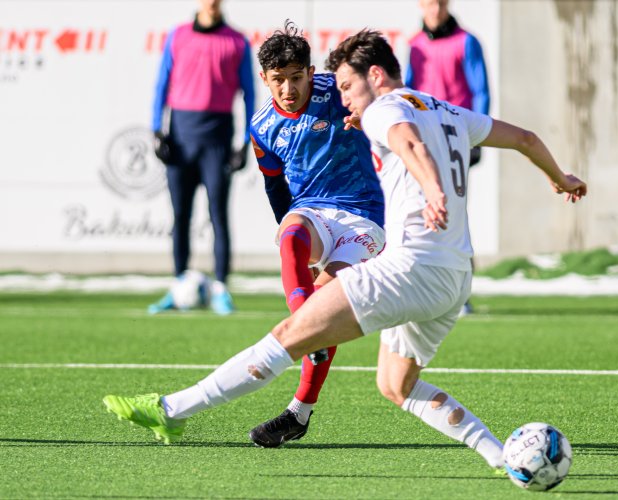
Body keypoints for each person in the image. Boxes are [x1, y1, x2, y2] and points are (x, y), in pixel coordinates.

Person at [102, 30, 587, 473]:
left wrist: (432, 188)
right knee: (396, 385)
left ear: (374, 76)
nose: (344, 98)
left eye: (349, 86)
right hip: (456, 277)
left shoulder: (383, 109)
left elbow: (408, 144)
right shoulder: (446, 109)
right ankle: (501, 457)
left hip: (408, 269)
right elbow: (523, 138)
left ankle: (169, 411)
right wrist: (559, 177)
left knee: (288, 335)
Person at [246, 21, 385, 447]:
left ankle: (299, 412)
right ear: (265, 80)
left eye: (295, 77)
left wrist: (368, 116)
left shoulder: (337, 91)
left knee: (328, 313)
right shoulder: (262, 127)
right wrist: (293, 229)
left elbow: (387, 106)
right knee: (289, 235)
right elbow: (274, 186)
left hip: (365, 216)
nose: (288, 88)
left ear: (310, 72)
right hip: (313, 213)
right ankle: (303, 316)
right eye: (277, 80)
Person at [148, 0, 255, 316]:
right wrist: (156, 130)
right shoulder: (177, 35)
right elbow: (161, 84)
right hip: (181, 138)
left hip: (217, 140)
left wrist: (246, 142)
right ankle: (178, 284)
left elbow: (249, 93)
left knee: (218, 215)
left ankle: (221, 287)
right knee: (180, 215)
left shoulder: (237, 40)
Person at [405, 0, 491, 315]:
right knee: (423, 211)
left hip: (456, 138)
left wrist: (476, 136)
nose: (435, 9)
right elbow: (408, 92)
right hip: (425, 141)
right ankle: (426, 287)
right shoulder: (414, 45)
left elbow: (480, 90)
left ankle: (461, 293)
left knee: (455, 216)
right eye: (429, 3)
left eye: (440, 3)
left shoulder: (467, 42)